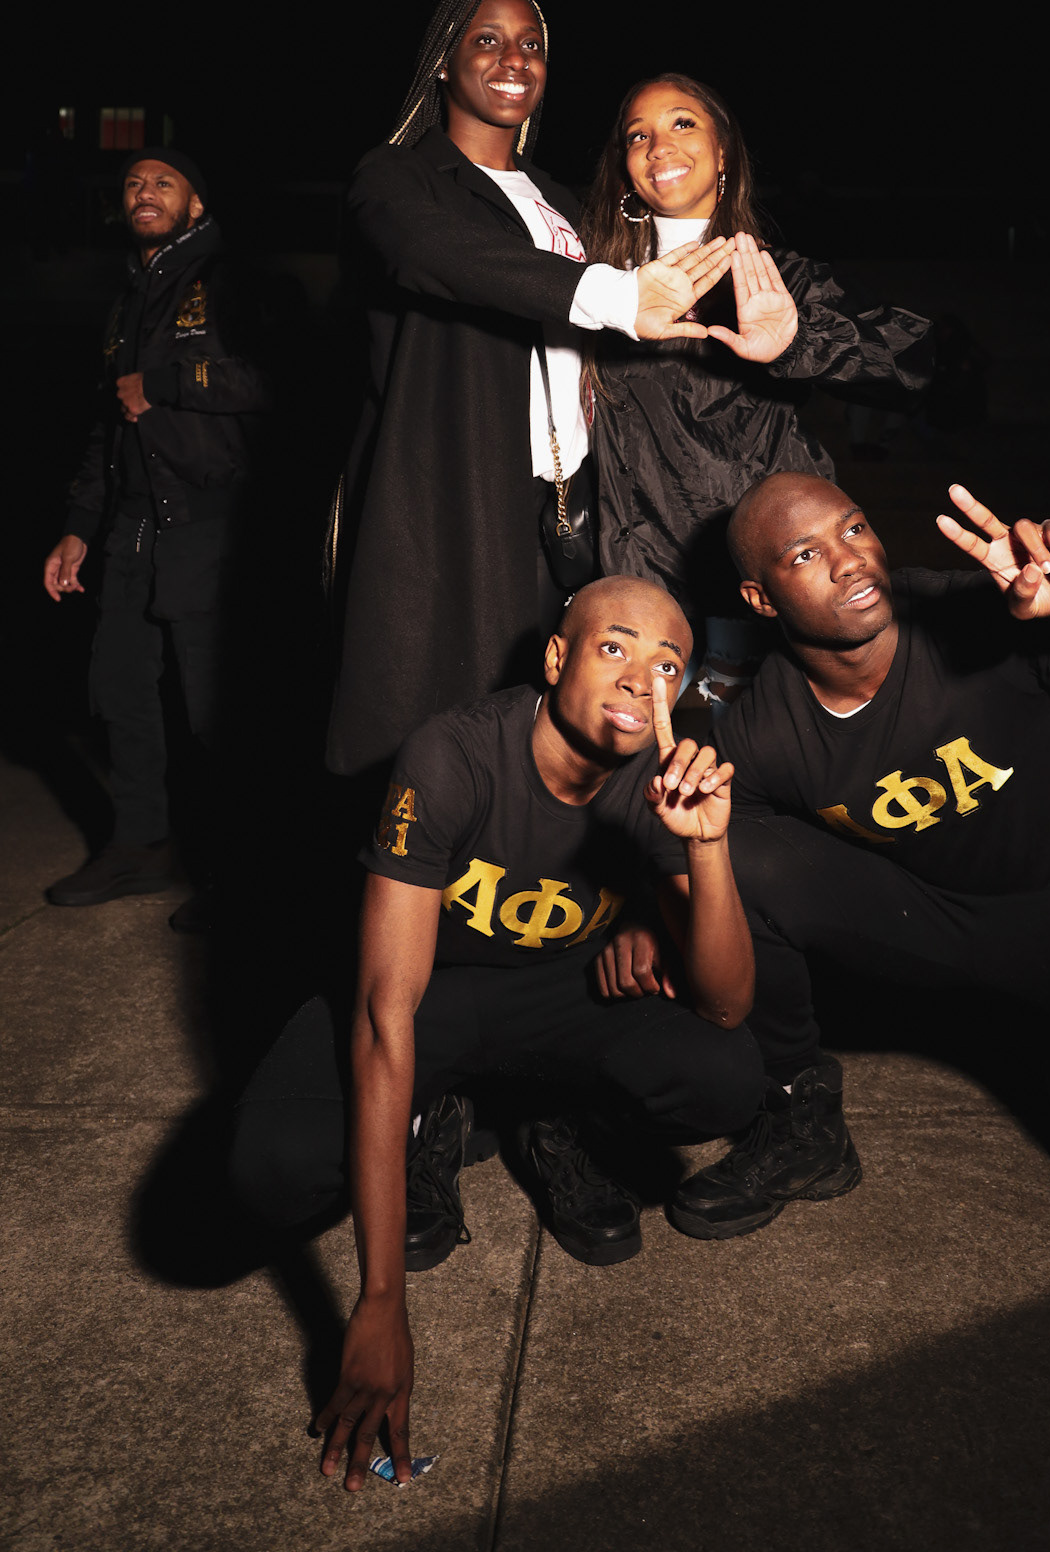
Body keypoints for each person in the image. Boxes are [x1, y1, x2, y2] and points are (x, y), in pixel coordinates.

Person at [601, 472, 1050, 1237]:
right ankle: (798, 1120)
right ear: (760, 599)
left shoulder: (976, 614)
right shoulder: (763, 729)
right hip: (937, 927)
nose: (848, 560)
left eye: (854, 528)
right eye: (804, 554)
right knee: (726, 845)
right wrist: (655, 914)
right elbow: (695, 847)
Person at [231, 574, 759, 1489]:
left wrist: (704, 847)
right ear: (555, 658)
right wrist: (380, 1298)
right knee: (268, 1174)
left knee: (725, 1079)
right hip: (433, 994)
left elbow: (726, 1004)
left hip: (561, 994)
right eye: (613, 647)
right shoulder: (453, 755)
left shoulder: (663, 772)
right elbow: (384, 1014)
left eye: (667, 665)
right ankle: (437, 1116)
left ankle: (551, 1116)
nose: (640, 679)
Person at [326, 0, 736, 777]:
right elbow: (433, 253)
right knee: (435, 729)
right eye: (487, 40)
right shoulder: (397, 177)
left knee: (546, 731)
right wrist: (614, 296)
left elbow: (643, 299)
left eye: (531, 44)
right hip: (454, 494)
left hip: (569, 504)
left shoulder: (558, 200)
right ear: (442, 61)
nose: (514, 59)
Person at [579, 73, 933, 704]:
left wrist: (798, 345)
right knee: (650, 760)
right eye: (638, 135)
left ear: (723, 154)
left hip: (761, 589)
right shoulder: (602, 288)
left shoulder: (772, 276)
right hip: (641, 586)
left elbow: (912, 361)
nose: (659, 145)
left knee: (757, 757)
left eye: (682, 123)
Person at [42, 149, 268, 929]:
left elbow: (276, 378)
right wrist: (78, 529)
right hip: (133, 530)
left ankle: (245, 875)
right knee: (121, 695)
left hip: (215, 524)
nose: (145, 192)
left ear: (195, 203)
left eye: (163, 182)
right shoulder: (128, 299)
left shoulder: (229, 280)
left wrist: (168, 384)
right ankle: (141, 845)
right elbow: (108, 428)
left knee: (216, 712)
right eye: (134, 183)